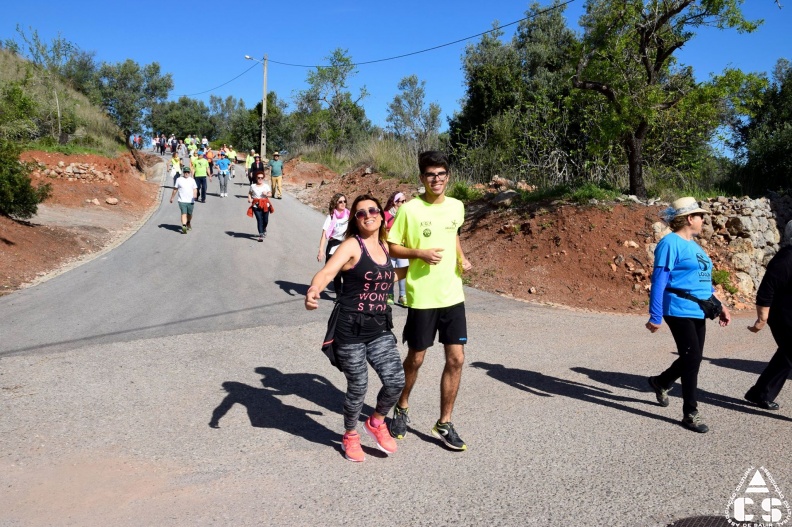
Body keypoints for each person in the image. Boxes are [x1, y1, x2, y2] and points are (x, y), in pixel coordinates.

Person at [305, 194, 407, 462]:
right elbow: (328, 272)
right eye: (361, 213)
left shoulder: (385, 246)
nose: (368, 215)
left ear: (382, 215)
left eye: (373, 210)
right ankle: (350, 435)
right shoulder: (352, 245)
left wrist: (421, 265)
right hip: (350, 329)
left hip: (379, 327)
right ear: (355, 219)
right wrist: (314, 289)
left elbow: (387, 277)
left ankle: (376, 422)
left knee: (396, 381)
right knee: (358, 386)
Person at [387, 151, 473, 451]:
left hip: (452, 294)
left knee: (457, 359)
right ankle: (401, 406)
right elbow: (393, 246)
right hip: (422, 296)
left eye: (441, 174)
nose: (436, 179)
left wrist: (462, 257)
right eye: (430, 175)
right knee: (417, 359)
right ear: (422, 178)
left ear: (448, 176)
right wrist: (420, 254)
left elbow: (454, 235)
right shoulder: (409, 210)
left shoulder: (457, 206)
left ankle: (444, 423)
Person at [645, 197, 731, 433]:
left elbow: (701, 282)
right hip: (678, 308)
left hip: (698, 308)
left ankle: (661, 381)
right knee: (692, 359)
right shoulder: (670, 243)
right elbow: (659, 280)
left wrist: (719, 303)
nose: (704, 220)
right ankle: (690, 413)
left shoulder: (695, 246)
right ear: (689, 218)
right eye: (700, 215)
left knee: (693, 358)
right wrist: (656, 315)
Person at [745, 228, 792, 410]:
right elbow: (767, 289)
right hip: (784, 318)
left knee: (787, 356)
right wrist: (761, 318)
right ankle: (760, 393)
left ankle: (760, 393)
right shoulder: (786, 258)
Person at [317, 193, 349, 298]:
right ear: (335, 203)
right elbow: (324, 235)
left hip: (346, 245)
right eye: (340, 201)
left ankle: (347, 294)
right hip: (334, 245)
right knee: (337, 272)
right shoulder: (331, 217)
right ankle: (339, 295)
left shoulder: (349, 215)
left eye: (344, 201)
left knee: (348, 271)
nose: (343, 203)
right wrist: (321, 250)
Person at [384, 191, 408, 306]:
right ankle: (389, 294)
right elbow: (382, 231)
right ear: (395, 202)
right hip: (389, 248)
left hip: (402, 248)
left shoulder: (406, 215)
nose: (405, 203)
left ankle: (402, 295)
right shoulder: (386, 215)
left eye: (405, 200)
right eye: (402, 201)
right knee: (390, 272)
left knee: (403, 270)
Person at [169, 166, 197, 233]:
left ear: (189, 173)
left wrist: (195, 194)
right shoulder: (179, 179)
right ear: (183, 172)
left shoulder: (192, 180)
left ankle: (188, 222)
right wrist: (172, 197)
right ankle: (184, 226)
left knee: (189, 214)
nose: (186, 173)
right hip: (181, 200)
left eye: (188, 172)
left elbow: (195, 189)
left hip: (190, 200)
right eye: (185, 172)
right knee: (183, 213)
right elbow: (175, 189)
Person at [248, 173, 273, 241]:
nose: (260, 179)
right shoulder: (253, 186)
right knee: (259, 220)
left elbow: (270, 194)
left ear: (263, 178)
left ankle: (264, 228)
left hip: (265, 204)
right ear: (256, 178)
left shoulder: (266, 186)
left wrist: (267, 194)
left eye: (261, 178)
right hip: (256, 205)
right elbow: (250, 193)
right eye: (259, 177)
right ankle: (261, 234)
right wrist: (249, 198)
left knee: (265, 220)